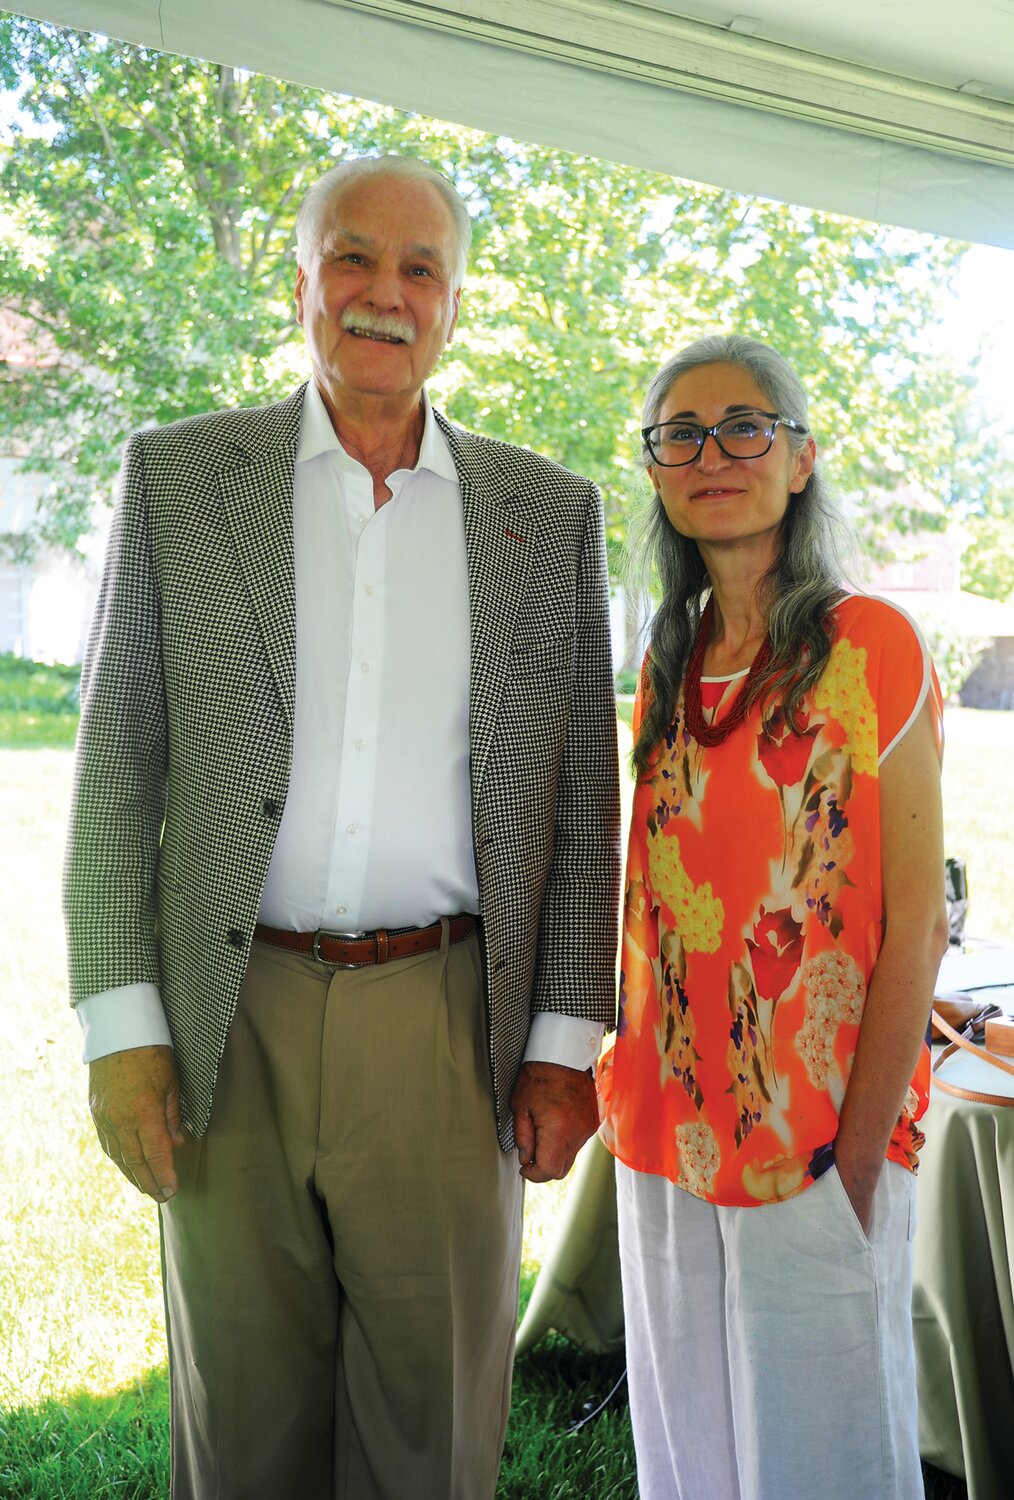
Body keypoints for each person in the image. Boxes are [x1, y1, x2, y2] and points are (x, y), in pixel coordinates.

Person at [64, 154, 620, 1500]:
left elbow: (587, 804)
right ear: (301, 280)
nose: (384, 293)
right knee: (243, 1418)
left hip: (445, 1027)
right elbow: (114, 764)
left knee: (430, 1427)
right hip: (227, 1013)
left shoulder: (542, 515)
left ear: (455, 304)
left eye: (419, 268)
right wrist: (124, 1032)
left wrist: (559, 1043)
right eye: (353, 259)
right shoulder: (183, 477)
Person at [597, 334, 948, 1500]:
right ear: (654, 472)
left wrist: (857, 1157)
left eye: (745, 426)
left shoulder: (872, 646)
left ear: (799, 459)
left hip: (814, 1134)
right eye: (680, 434)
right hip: (664, 1125)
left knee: (821, 1457)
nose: (713, 454)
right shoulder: (667, 656)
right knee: (689, 1447)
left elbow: (916, 929)